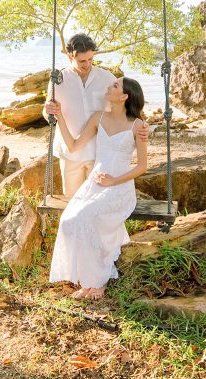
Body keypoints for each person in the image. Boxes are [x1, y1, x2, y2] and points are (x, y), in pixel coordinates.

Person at [49, 77, 150, 300]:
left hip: (119, 187)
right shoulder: (98, 117)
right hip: (94, 184)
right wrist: (59, 118)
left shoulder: (138, 126)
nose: (109, 86)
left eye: (115, 86)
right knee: (68, 222)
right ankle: (87, 281)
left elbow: (142, 166)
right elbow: (74, 146)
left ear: (124, 97)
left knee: (86, 218)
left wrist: (114, 181)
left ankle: (98, 283)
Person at [44, 34, 147, 198]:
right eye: (82, 61)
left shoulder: (107, 78)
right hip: (70, 152)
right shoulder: (58, 80)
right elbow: (48, 112)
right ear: (70, 56)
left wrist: (143, 125)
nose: (87, 64)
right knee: (71, 200)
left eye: (90, 59)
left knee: (95, 200)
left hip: (99, 153)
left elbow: (127, 103)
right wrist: (48, 109)